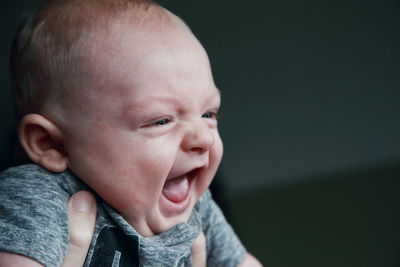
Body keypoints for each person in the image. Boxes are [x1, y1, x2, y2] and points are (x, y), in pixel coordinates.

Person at [0, 0, 262, 266]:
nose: (204, 138)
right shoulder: (40, 199)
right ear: (52, 144)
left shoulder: (199, 207)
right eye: (160, 121)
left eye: (209, 114)